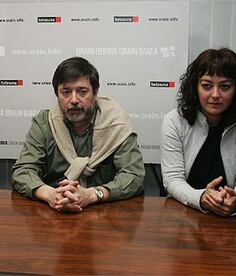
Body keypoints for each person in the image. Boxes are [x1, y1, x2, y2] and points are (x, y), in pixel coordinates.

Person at [12, 57, 145, 212]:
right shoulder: (44, 123)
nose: (74, 100)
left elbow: (134, 175)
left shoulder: (116, 123)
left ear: (95, 94)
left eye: (82, 92)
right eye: (66, 92)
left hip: (104, 212)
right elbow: (23, 170)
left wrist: (92, 194)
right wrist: (51, 194)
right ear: (57, 95)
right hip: (53, 210)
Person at [160, 48, 236, 216]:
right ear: (195, 87)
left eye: (225, 86)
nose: (215, 94)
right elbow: (172, 180)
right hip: (185, 212)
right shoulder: (174, 121)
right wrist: (202, 198)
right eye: (207, 85)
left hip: (235, 217)